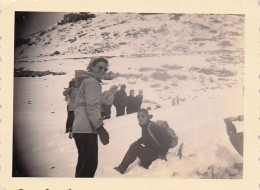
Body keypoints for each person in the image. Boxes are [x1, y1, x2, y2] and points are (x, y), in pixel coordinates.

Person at [72, 57, 110, 178]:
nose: (103, 71)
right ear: (91, 67)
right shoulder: (92, 82)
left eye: (105, 69)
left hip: (80, 128)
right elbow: (92, 106)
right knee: (88, 167)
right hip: (87, 129)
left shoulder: (86, 81)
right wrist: (100, 127)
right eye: (100, 67)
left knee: (83, 165)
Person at [114, 108, 172, 174]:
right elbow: (146, 138)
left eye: (143, 116)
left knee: (135, 147)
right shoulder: (145, 126)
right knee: (134, 146)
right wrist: (136, 142)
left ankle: (121, 168)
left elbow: (168, 139)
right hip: (153, 153)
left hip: (157, 155)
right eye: (138, 116)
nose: (140, 118)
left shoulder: (152, 126)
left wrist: (163, 154)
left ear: (147, 117)